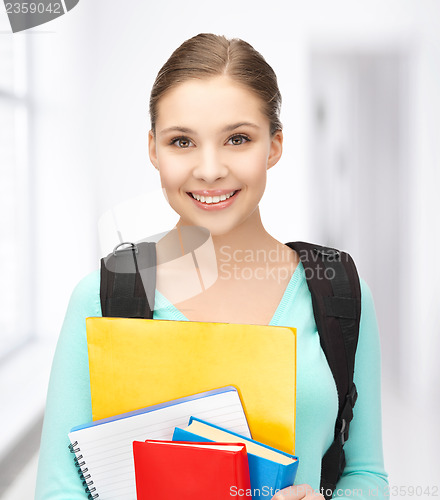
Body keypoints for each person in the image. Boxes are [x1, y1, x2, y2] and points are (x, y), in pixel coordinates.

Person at [35, 33, 388, 499]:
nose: (209, 169)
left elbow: (366, 475)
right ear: (154, 150)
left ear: (274, 146)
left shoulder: (338, 291)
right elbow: (59, 490)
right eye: (182, 141)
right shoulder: (102, 297)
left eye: (237, 139)